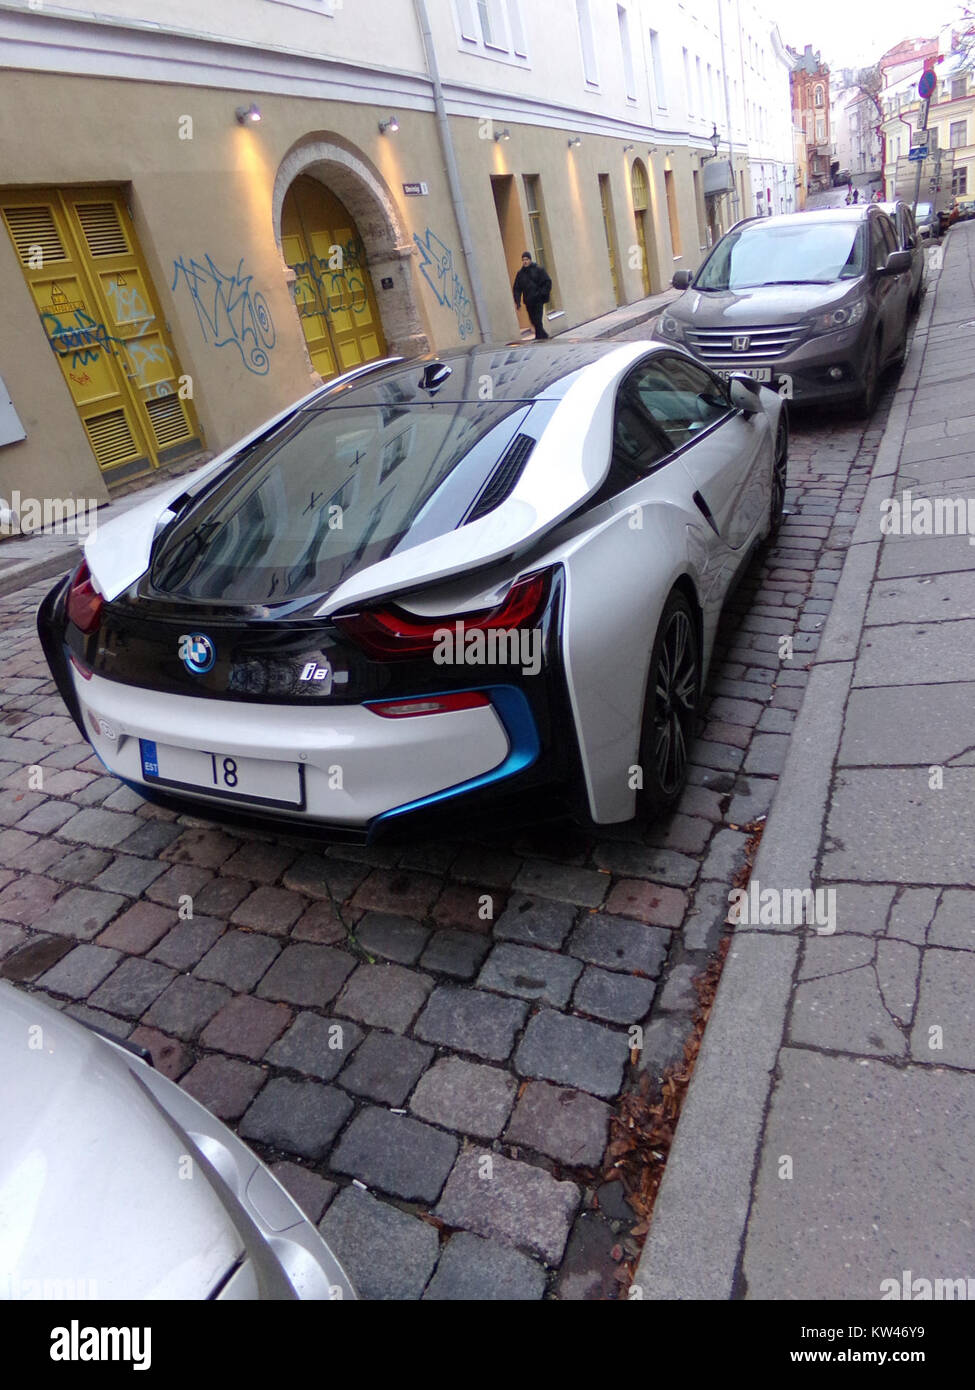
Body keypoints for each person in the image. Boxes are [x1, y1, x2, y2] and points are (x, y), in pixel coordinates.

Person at [513, 251, 552, 340]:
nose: (525, 261)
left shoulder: (538, 270)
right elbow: (517, 288)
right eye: (523, 260)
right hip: (528, 301)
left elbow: (547, 282)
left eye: (526, 259)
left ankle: (539, 337)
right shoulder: (520, 274)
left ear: (530, 260)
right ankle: (543, 336)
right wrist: (517, 301)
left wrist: (542, 293)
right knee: (533, 320)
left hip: (538, 300)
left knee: (537, 319)